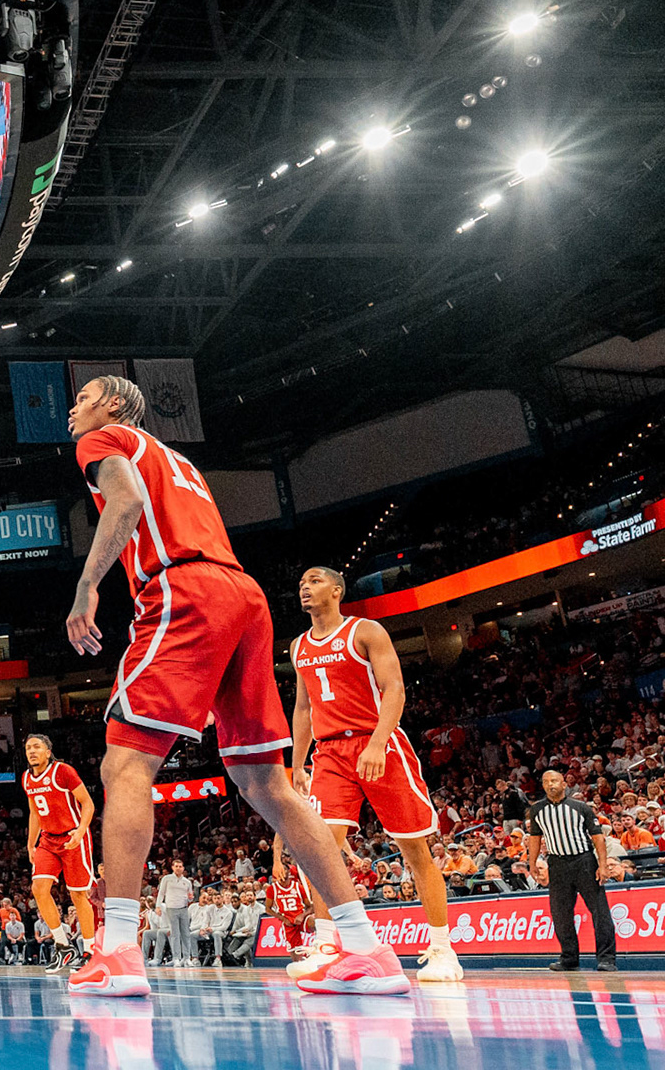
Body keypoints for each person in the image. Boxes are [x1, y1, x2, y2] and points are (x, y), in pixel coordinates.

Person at [60, 376, 408, 997]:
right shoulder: (179, 459)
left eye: (82, 397)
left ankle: (115, 949)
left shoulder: (105, 441)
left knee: (125, 766)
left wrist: (87, 586)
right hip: (243, 599)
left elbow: (127, 500)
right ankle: (366, 949)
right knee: (265, 782)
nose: (71, 408)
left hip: (184, 593)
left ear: (113, 407)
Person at [286, 566, 463, 981]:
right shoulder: (298, 647)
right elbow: (304, 708)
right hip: (329, 752)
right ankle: (328, 944)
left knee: (415, 850)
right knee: (319, 850)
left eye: (313, 582)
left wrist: (377, 744)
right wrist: (296, 763)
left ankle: (442, 949)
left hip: (376, 742)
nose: (304, 589)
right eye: (301, 585)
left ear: (336, 590)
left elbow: (394, 689)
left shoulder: (366, 631)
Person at [526, 769, 617, 972]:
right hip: (557, 864)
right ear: (542, 785)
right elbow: (535, 838)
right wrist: (531, 863)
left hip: (584, 861)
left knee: (599, 911)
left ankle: (607, 959)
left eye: (555, 781)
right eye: (546, 781)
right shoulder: (537, 810)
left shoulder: (580, 807)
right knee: (560, 914)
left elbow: (598, 837)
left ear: (564, 784)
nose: (551, 784)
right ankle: (569, 957)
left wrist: (602, 865)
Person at [21, 732, 96, 972]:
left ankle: (90, 950)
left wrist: (81, 830)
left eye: (36, 747)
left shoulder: (63, 771)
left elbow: (88, 803)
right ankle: (63, 946)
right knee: (38, 889)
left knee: (78, 896)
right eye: (28, 748)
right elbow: (34, 813)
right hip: (47, 840)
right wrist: (30, 843)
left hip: (73, 837)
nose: (31, 751)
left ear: (48, 752)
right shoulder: (26, 778)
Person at [153, 860, 195, 966]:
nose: (178, 868)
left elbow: (190, 897)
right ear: (172, 867)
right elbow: (161, 893)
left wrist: (190, 898)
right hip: (171, 908)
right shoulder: (166, 879)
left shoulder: (187, 882)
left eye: (180, 866)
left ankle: (186, 957)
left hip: (184, 908)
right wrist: (158, 906)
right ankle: (176, 957)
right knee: (175, 933)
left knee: (185, 933)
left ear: (183, 868)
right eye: (176, 866)